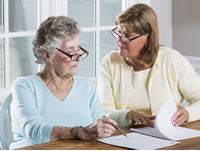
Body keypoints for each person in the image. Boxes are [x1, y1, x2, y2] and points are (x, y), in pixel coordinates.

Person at [10, 16, 117, 149]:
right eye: (70, 52)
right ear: (48, 55)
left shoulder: (87, 87)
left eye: (79, 49)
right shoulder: (24, 85)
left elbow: (99, 128)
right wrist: (80, 132)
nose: (77, 58)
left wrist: (105, 128)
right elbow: (33, 130)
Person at [97, 3, 200, 128]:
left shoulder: (172, 59)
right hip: (123, 136)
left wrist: (188, 113)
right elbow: (103, 109)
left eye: (127, 36)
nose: (119, 39)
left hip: (167, 135)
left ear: (148, 38)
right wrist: (127, 114)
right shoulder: (108, 62)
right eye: (118, 32)